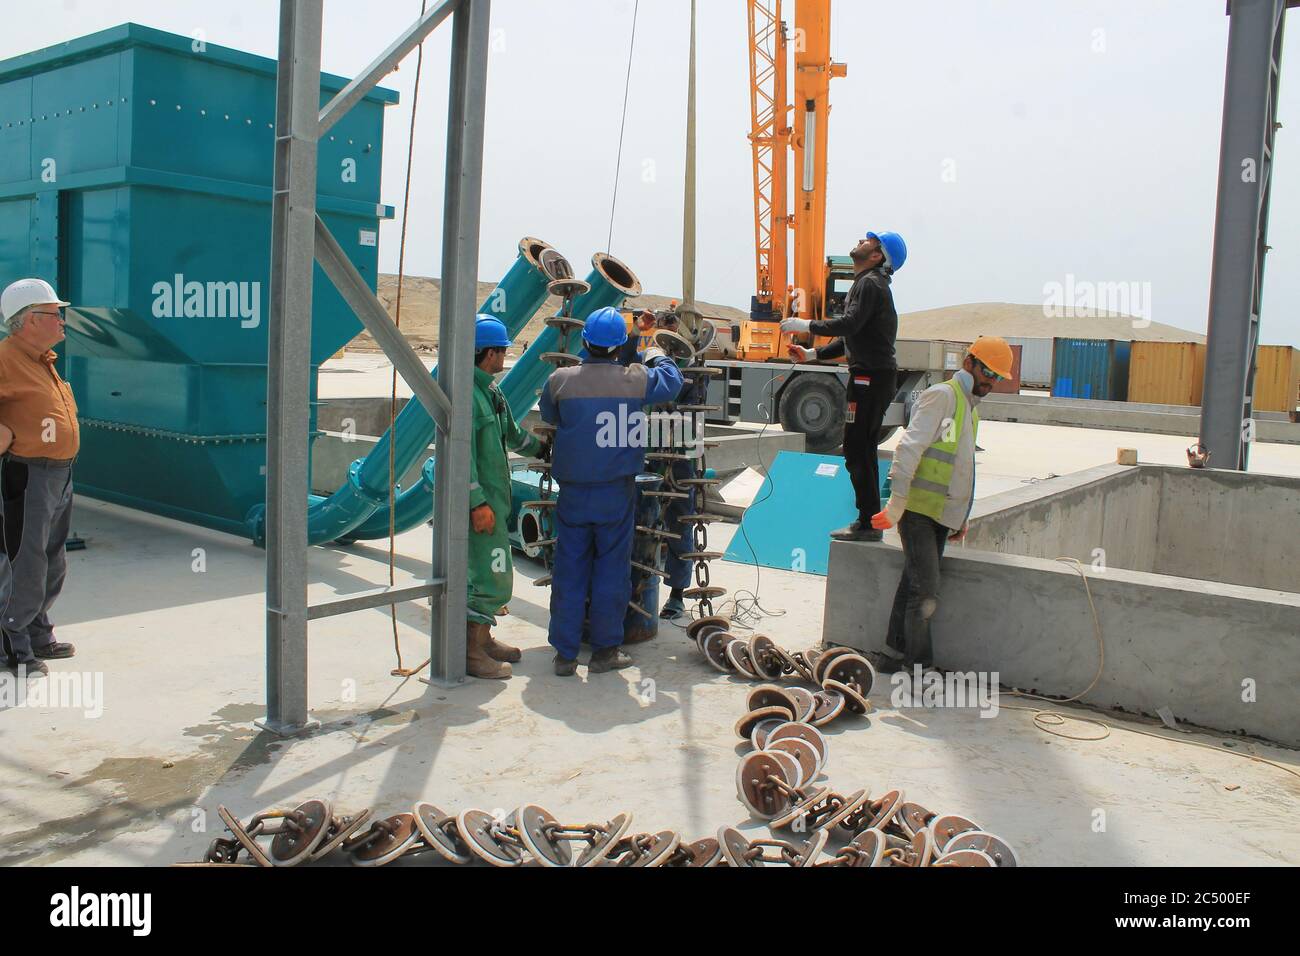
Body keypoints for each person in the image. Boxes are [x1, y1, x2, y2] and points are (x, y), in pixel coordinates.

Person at [539, 306, 683, 676]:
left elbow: (550, 416)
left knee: (570, 569)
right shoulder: (635, 379)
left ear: (584, 341)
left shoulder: (560, 380)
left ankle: (565, 655)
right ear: (621, 345)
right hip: (615, 493)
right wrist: (654, 349)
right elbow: (673, 381)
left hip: (573, 491)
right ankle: (605, 652)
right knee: (610, 571)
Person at [868, 337, 1014, 672]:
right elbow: (908, 449)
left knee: (913, 581)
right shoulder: (942, 397)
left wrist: (959, 517)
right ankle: (920, 665)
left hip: (938, 514)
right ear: (969, 364)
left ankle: (892, 654)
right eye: (987, 371)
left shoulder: (969, 408)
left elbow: (961, 466)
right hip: (918, 510)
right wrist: (896, 504)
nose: (991, 380)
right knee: (926, 592)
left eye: (997, 376)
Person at [784, 230, 907, 542]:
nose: (860, 241)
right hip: (870, 377)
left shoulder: (870, 284)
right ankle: (868, 520)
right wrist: (813, 354)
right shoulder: (869, 284)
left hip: (870, 378)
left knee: (857, 449)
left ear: (878, 255)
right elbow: (852, 337)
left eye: (868, 241)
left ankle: (867, 523)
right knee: (859, 448)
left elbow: (849, 325)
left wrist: (805, 325)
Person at [0, 278, 81, 679]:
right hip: (28, 474)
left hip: (59, 475)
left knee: (52, 559)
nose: (62, 320)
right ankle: (11, 644)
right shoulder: (5, 358)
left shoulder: (40, 359)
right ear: (30, 320)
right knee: (24, 561)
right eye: (55, 314)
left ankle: (37, 633)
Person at [465, 315, 547, 680]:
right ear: (486, 353)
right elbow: (461, 456)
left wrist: (543, 448)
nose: (504, 359)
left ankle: (482, 639)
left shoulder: (491, 391)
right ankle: (470, 652)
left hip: (496, 501)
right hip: (483, 505)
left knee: (495, 574)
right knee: (488, 577)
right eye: (500, 352)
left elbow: (512, 434)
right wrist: (476, 502)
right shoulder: (467, 394)